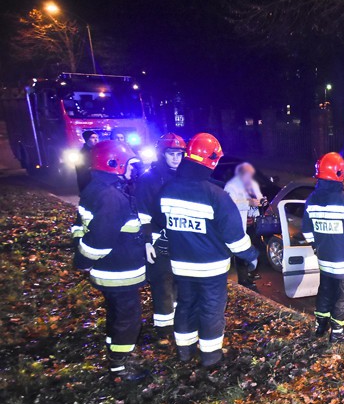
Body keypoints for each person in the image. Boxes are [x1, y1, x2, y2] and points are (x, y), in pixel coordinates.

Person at [159, 133, 258, 367]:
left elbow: (163, 223)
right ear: (212, 161)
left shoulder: (168, 189)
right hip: (210, 269)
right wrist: (252, 255)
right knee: (211, 310)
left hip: (181, 266)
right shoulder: (217, 196)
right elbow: (235, 238)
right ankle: (211, 358)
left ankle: (184, 353)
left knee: (185, 306)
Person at [71, 140, 147, 380]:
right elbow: (101, 239)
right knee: (128, 318)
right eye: (128, 164)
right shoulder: (112, 198)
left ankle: (116, 352)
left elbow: (79, 229)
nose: (131, 169)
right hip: (119, 273)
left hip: (108, 271)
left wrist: (83, 259)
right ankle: (121, 367)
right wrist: (85, 260)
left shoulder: (93, 190)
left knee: (116, 314)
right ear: (114, 163)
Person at [302, 152, 344, 343]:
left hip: (324, 261)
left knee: (325, 292)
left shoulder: (311, 200)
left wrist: (317, 246)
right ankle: (338, 333)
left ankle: (320, 327)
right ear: (340, 172)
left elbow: (307, 232)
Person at [134, 133, 185, 341]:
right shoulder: (149, 179)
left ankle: (178, 325)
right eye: (171, 154)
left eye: (180, 154)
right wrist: (147, 241)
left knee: (180, 286)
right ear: (162, 154)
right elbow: (143, 213)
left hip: (181, 242)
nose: (176, 158)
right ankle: (164, 332)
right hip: (158, 242)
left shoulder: (184, 177)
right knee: (162, 287)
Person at [224, 162, 263, 290]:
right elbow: (229, 204)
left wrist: (260, 202)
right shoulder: (231, 186)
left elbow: (257, 200)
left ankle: (250, 274)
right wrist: (248, 202)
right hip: (238, 225)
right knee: (241, 252)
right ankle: (243, 280)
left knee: (253, 249)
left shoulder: (251, 185)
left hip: (251, 224)